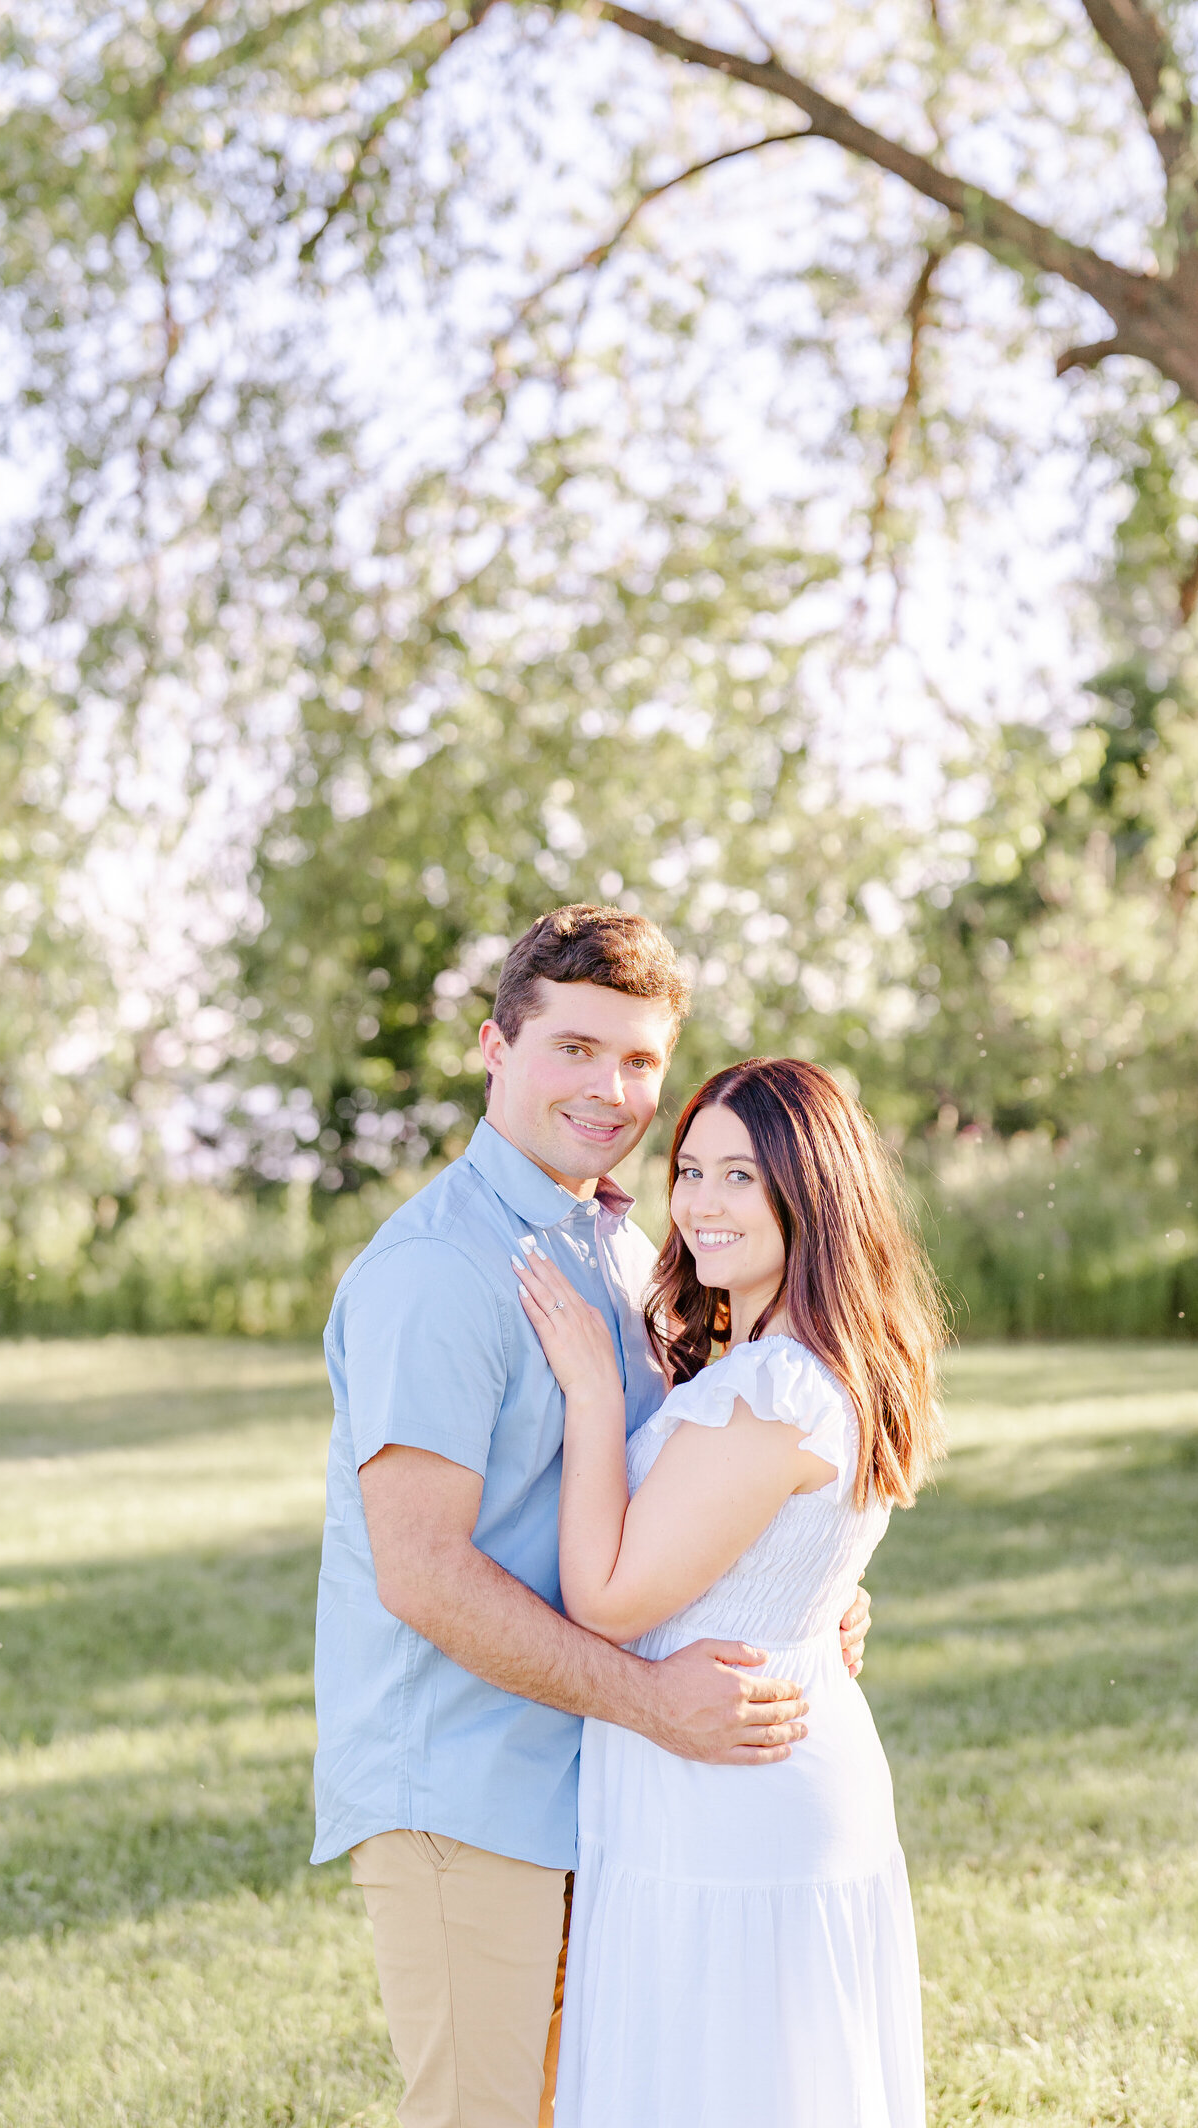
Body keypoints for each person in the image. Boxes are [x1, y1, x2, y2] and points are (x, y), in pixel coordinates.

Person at [310, 907, 873, 2128]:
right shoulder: (439, 1274)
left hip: (604, 1787)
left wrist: (794, 1588)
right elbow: (420, 1574)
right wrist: (652, 1702)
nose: (609, 1089)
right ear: (494, 1047)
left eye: (637, 1061)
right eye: (573, 1048)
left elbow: (692, 1485)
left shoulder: (622, 1251)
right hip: (467, 1789)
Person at [515, 1055, 947, 2128]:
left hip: (727, 1796)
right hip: (769, 1761)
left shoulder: (770, 1385)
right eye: (690, 1170)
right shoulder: (817, 1362)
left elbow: (607, 1600)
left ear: (810, 1191)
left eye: (738, 1178)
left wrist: (588, 1395)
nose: (701, 1205)